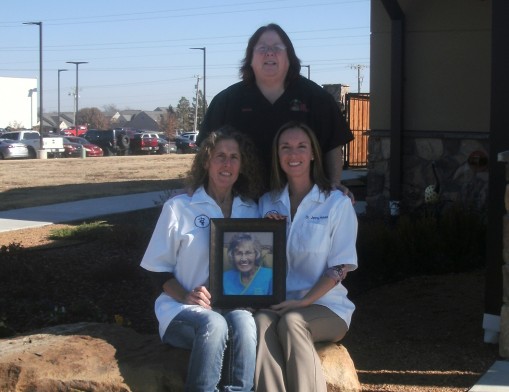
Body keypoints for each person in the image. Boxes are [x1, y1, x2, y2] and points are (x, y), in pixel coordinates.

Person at [140, 126, 263, 392]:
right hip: (182, 309)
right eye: (220, 155)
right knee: (214, 324)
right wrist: (186, 295)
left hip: (231, 306)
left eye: (234, 157)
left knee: (244, 323)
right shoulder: (178, 208)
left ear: (242, 165)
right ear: (206, 161)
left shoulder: (251, 210)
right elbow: (156, 271)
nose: (226, 163)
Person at [255, 121, 358, 392]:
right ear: (278, 156)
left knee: (292, 323)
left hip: (325, 306)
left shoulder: (337, 203)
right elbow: (252, 258)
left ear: (313, 154)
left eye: (302, 146)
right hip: (278, 302)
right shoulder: (266, 203)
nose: (293, 154)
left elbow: (339, 267)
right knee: (260, 322)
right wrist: (264, 232)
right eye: (285, 147)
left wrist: (303, 302)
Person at [198, 23, 354, 198]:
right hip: (240, 204)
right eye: (262, 48)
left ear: (289, 57)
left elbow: (333, 146)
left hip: (302, 205)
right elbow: (206, 151)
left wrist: (334, 185)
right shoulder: (226, 101)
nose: (269, 52)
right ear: (250, 58)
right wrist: (196, 188)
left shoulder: (316, 98)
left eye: (277, 47)